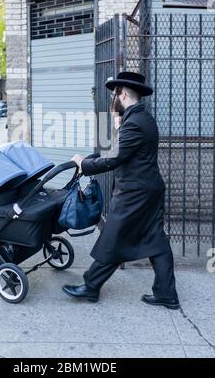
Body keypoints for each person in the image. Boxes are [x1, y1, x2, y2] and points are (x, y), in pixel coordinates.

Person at [62, 71, 179, 310]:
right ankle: (166, 293)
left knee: (113, 236)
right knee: (156, 241)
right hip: (148, 190)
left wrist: (82, 164)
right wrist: (118, 126)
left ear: (123, 94)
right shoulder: (141, 118)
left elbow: (113, 159)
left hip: (135, 193)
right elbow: (121, 152)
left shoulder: (134, 123)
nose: (112, 99)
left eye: (114, 94)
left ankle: (91, 286)